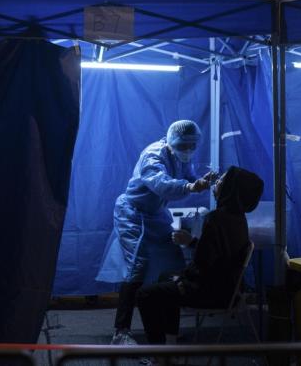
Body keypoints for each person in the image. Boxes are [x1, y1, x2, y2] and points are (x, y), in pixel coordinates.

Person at [96, 120, 217, 345]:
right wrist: (191, 187)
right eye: (184, 146)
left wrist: (201, 181)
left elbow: (188, 175)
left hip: (156, 213)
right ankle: (120, 332)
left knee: (173, 263)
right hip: (133, 213)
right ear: (172, 142)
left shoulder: (180, 155)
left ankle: (169, 332)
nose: (188, 151)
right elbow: (160, 184)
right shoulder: (153, 156)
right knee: (137, 265)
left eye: (192, 146)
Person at [136, 166, 264, 344]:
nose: (217, 182)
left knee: (145, 294)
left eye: (222, 180)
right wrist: (192, 242)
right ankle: (170, 344)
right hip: (228, 288)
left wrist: (181, 281)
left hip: (211, 292)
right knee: (166, 277)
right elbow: (218, 255)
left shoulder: (216, 218)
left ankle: (157, 354)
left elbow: (203, 264)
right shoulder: (238, 218)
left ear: (231, 189)